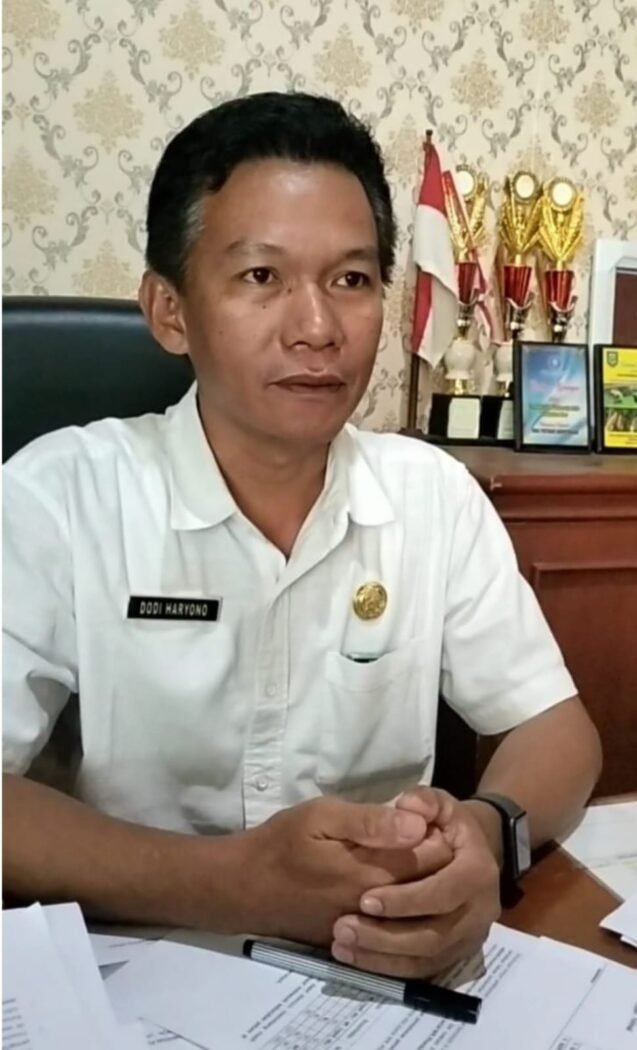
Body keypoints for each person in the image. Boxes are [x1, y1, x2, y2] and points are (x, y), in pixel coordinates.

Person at [3, 92, 601, 979]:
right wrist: (232, 885)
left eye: (350, 281)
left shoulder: (430, 494)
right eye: (260, 277)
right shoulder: (56, 496)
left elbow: (557, 729)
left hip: (376, 964)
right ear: (169, 311)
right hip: (129, 969)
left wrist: (484, 834)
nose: (317, 329)